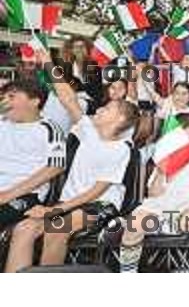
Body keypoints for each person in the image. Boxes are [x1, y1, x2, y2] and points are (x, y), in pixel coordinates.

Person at [4, 52, 140, 272]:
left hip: (99, 205)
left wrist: (52, 211)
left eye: (107, 109)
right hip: (67, 203)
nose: (100, 109)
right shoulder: (89, 131)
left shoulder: (121, 149)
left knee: (56, 229)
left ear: (120, 120)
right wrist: (48, 62)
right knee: (24, 228)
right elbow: (68, 97)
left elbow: (96, 192)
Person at [119, 113, 189, 273]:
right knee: (135, 223)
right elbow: (153, 194)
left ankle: (163, 225)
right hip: (162, 207)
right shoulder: (166, 157)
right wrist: (160, 171)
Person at [0, 80, 65, 230]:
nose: (5, 102)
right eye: (4, 97)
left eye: (12, 97)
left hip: (25, 195)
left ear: (34, 101)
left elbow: (56, 166)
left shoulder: (49, 129)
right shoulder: (3, 123)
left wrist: (8, 195)